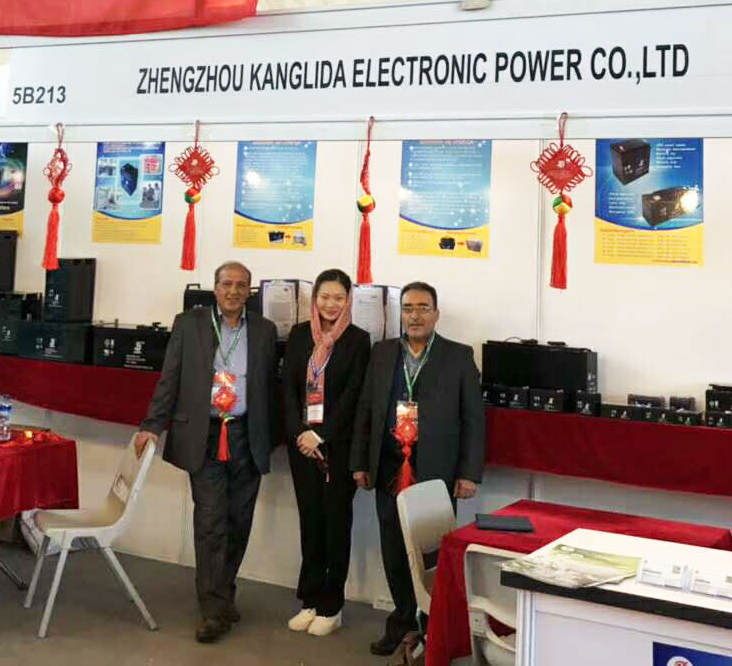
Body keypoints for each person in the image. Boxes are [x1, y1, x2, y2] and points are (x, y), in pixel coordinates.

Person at [135, 261, 278, 643]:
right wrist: (152, 424)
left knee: (239, 522)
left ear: (250, 291)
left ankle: (223, 592)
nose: (233, 291)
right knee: (212, 521)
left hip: (246, 436)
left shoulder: (264, 330)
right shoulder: (189, 324)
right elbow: (170, 378)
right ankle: (213, 610)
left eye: (241, 285)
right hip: (206, 436)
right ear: (215, 288)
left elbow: (270, 388)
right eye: (227, 284)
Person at [350, 280, 485, 657]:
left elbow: (473, 419)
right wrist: (360, 462)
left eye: (423, 308)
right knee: (393, 549)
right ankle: (402, 622)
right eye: (408, 308)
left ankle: (433, 628)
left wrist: (469, 473)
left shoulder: (458, 356)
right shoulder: (382, 353)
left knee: (433, 555)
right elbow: (365, 409)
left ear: (436, 314)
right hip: (389, 467)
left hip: (437, 472)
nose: (415, 315)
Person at [281, 268, 370, 637]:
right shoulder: (299, 334)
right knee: (310, 522)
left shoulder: (358, 339)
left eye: (338, 297)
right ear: (314, 298)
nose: (330, 304)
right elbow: (288, 389)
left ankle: (332, 606)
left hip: (337, 448)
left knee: (335, 524)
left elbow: (354, 396)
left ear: (348, 300)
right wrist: (300, 434)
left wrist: (322, 435)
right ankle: (310, 599)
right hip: (302, 447)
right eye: (324, 297)